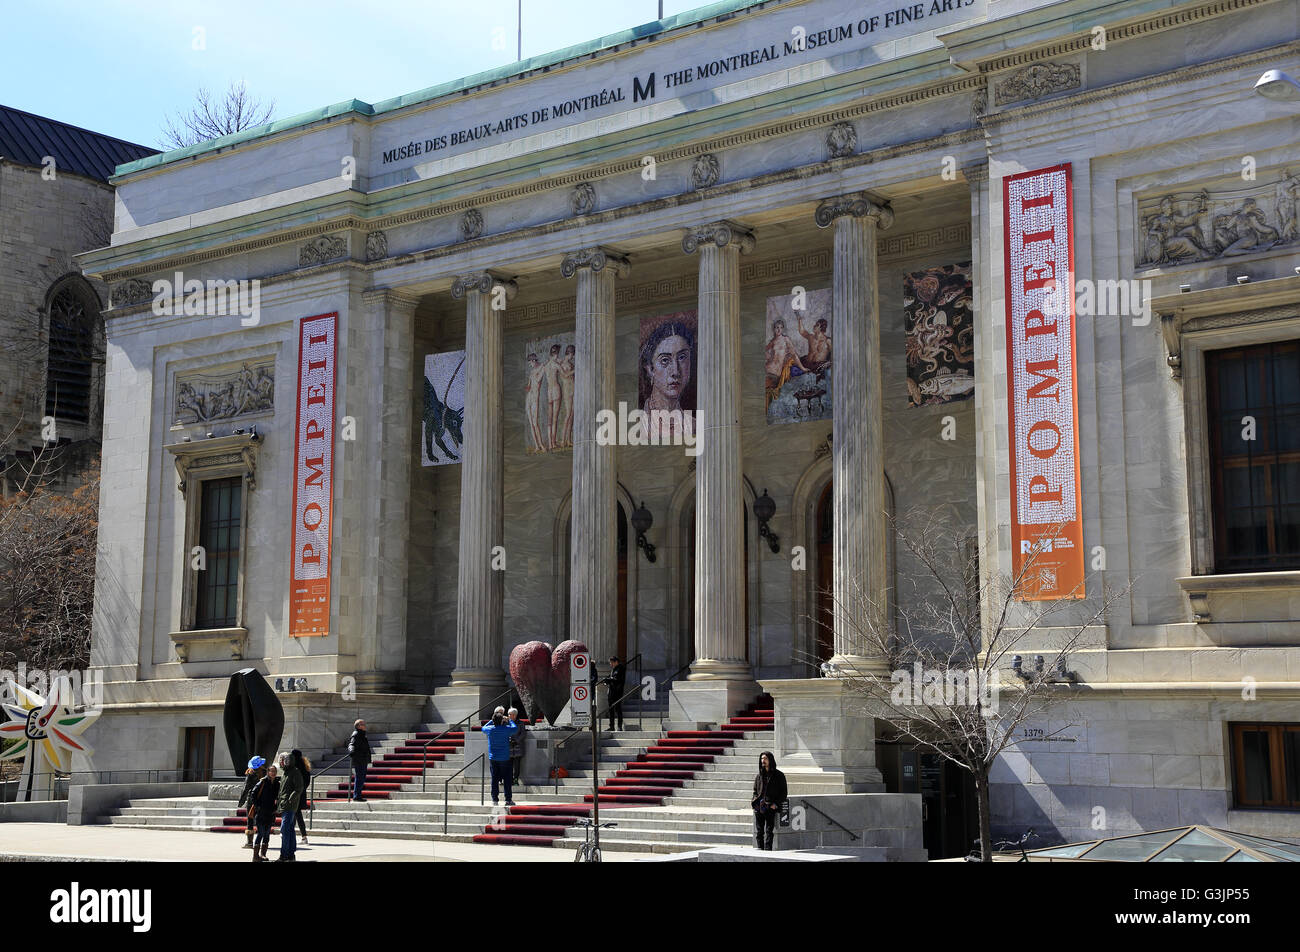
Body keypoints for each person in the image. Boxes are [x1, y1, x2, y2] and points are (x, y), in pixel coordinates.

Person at [481, 706, 519, 806]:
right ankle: (508, 799)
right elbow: (515, 728)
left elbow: (483, 727)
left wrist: (491, 721)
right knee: (507, 779)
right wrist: (510, 720)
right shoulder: (506, 729)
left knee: (494, 779)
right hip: (505, 758)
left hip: (493, 758)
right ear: (502, 721)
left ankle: (495, 800)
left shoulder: (490, 729)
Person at [751, 750, 788, 851]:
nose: (763, 760)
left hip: (770, 807)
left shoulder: (779, 775)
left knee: (769, 831)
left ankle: (767, 852)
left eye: (765, 758)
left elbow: (783, 793)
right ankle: (760, 851)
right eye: (762, 758)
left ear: (770, 760)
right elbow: (755, 790)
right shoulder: (759, 775)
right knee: (759, 832)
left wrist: (776, 804)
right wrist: (754, 801)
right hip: (759, 807)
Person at [277, 750, 306, 862]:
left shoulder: (295, 772)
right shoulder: (285, 773)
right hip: (284, 805)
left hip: (290, 806)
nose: (281, 762)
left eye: (283, 760)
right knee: (289, 830)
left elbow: (299, 788)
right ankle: (290, 855)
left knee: (284, 830)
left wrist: (290, 799)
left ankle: (284, 855)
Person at [249, 763, 280, 863]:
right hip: (261, 812)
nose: (273, 773)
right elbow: (253, 794)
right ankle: (255, 856)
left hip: (270, 812)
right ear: (268, 772)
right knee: (261, 833)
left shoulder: (277, 783)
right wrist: (257, 806)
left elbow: (278, 797)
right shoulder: (262, 782)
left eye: (275, 771)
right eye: (271, 771)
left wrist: (276, 807)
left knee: (267, 834)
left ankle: (263, 855)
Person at [237, 756, 266, 849]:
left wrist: (241, 801)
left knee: (250, 820)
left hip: (252, 800)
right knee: (261, 821)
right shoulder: (264, 773)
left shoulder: (250, 774)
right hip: (262, 800)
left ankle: (250, 843)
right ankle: (263, 842)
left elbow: (246, 789)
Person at [599, 656, 626, 731]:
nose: (610, 664)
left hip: (617, 692)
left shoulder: (620, 668)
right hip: (611, 692)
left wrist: (608, 679)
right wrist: (607, 681)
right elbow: (612, 680)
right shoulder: (613, 669)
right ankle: (611, 726)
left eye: (611, 662)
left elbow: (617, 679)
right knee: (611, 710)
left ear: (616, 662)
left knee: (618, 709)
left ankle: (619, 726)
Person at [348, 718, 371, 802]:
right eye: (363, 724)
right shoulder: (356, 734)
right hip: (359, 759)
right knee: (359, 777)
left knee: (362, 777)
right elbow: (351, 744)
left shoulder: (362, 734)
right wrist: (352, 751)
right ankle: (357, 796)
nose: (365, 726)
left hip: (363, 759)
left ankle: (358, 795)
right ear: (359, 726)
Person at [295, 754, 312, 845]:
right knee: (297, 815)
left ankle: (304, 836)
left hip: (295, 795)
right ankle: (303, 836)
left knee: (296, 815)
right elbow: (307, 782)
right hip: (302, 794)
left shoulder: (296, 769)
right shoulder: (306, 768)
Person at [507, 706, 526, 785]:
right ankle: (509, 779)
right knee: (509, 764)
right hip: (508, 746)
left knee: (517, 764)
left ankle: (515, 779)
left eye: (510, 714)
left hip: (518, 746)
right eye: (508, 714)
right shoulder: (506, 723)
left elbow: (523, 734)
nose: (509, 716)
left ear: (515, 715)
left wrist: (516, 740)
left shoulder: (521, 723)